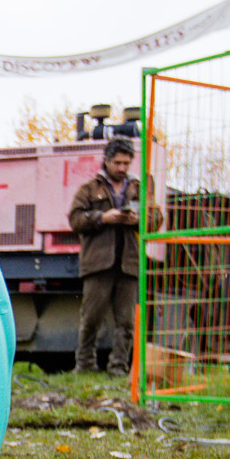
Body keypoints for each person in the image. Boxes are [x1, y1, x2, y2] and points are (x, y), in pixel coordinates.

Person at [68, 137, 160, 376]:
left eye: (126, 163)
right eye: (118, 162)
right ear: (106, 161)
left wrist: (138, 219)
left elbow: (156, 219)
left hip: (129, 264)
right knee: (91, 319)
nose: (122, 168)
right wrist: (102, 218)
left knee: (127, 323)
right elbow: (75, 219)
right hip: (98, 264)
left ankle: (118, 368)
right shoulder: (88, 189)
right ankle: (85, 366)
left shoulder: (139, 189)